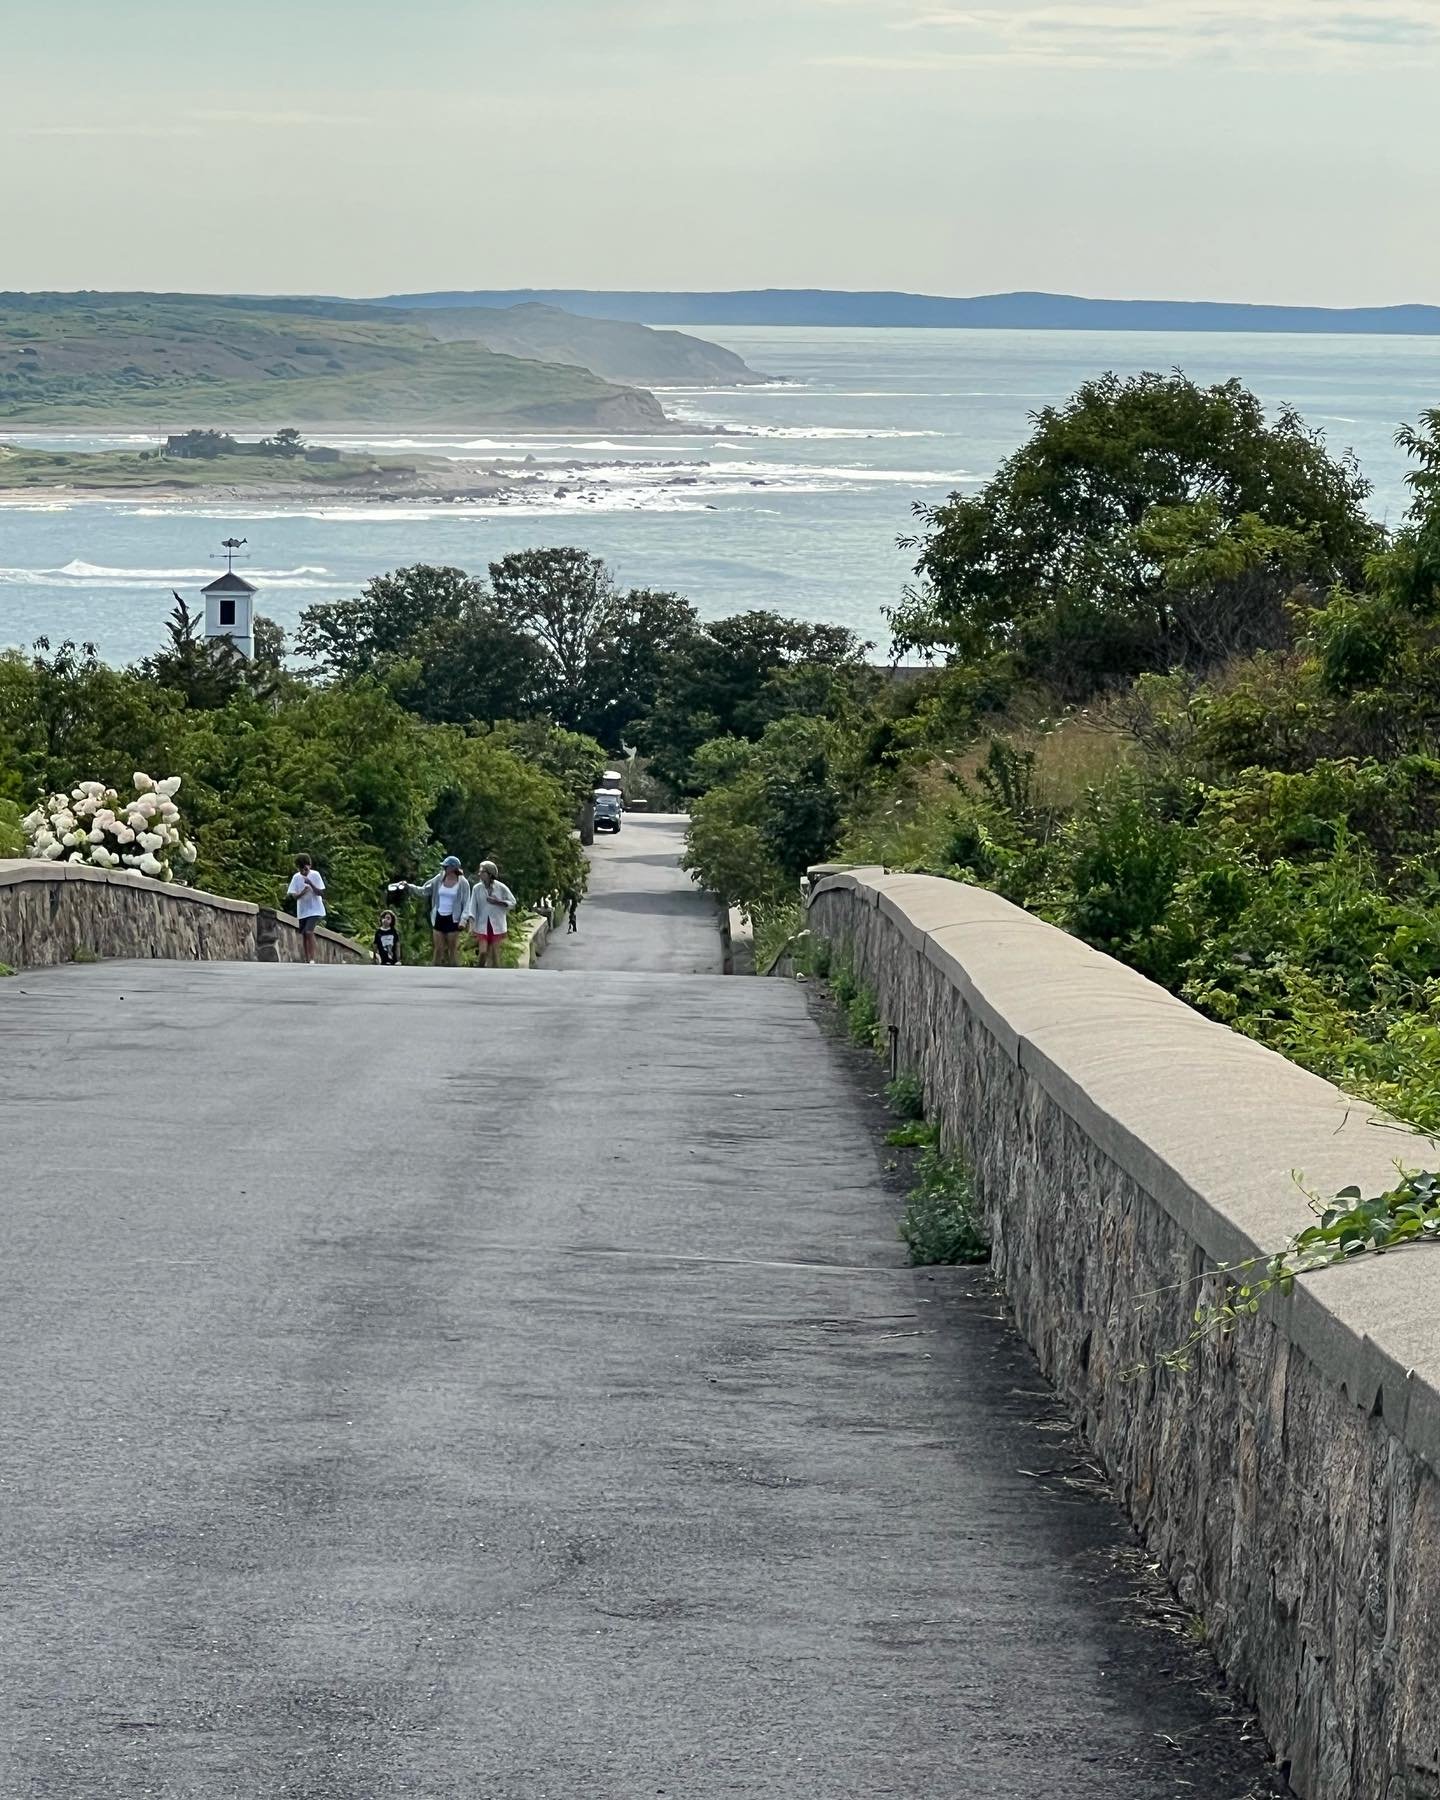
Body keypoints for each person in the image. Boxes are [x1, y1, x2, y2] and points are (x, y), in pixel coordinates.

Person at [408, 856, 470, 967]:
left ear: (453, 868)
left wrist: (463, 920)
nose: (444, 868)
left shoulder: (463, 883)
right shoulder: (439, 878)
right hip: (439, 916)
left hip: (453, 918)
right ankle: (434, 972)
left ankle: (456, 974)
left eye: (446, 866)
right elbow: (424, 890)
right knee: (438, 949)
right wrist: (409, 886)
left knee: (452, 950)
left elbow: (466, 903)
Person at [464, 859, 516, 968]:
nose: (479, 874)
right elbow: (472, 907)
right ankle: (480, 969)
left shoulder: (501, 887)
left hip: (497, 924)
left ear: (489, 874)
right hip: (482, 925)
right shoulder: (477, 888)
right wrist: (471, 926)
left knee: (495, 955)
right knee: (483, 952)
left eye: (482, 872)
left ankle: (496, 977)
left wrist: (499, 902)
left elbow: (513, 903)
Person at [286, 854, 326, 964]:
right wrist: (302, 892)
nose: (304, 871)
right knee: (303, 934)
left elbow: (321, 893)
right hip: (302, 910)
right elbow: (293, 895)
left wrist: (310, 883)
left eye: (305, 868)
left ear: (309, 866)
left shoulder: (315, 875)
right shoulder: (296, 877)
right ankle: (307, 958)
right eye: (301, 869)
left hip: (315, 909)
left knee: (309, 931)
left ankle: (312, 958)